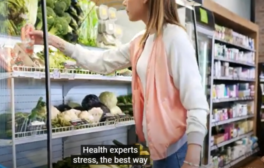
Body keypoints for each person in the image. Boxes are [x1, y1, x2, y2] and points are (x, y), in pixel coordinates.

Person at [21, 0, 209, 167]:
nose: (124, 3)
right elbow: (101, 62)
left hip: (177, 152)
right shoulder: (142, 40)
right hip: (159, 150)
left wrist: (191, 160)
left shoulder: (175, 38)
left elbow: (197, 105)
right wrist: (52, 41)